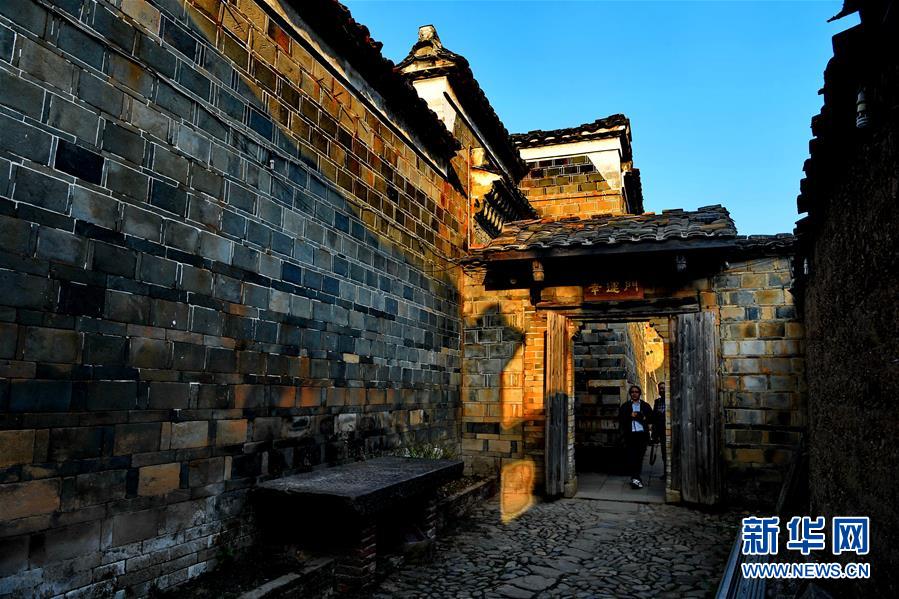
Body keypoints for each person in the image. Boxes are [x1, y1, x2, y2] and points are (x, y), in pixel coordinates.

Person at [619, 384, 654, 489]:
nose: (634, 394)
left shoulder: (645, 406)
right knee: (632, 457)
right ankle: (636, 478)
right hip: (630, 435)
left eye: (636, 392)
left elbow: (651, 419)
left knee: (639, 457)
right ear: (630, 394)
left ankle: (635, 478)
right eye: (632, 392)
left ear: (639, 393)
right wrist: (630, 416)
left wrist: (641, 417)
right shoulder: (625, 406)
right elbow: (621, 419)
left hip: (642, 435)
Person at [651, 381, 667, 479]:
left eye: (664, 388)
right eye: (660, 388)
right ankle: (666, 473)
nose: (662, 390)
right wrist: (654, 433)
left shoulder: (671, 401)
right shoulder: (657, 402)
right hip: (661, 432)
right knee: (664, 453)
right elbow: (654, 418)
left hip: (670, 431)